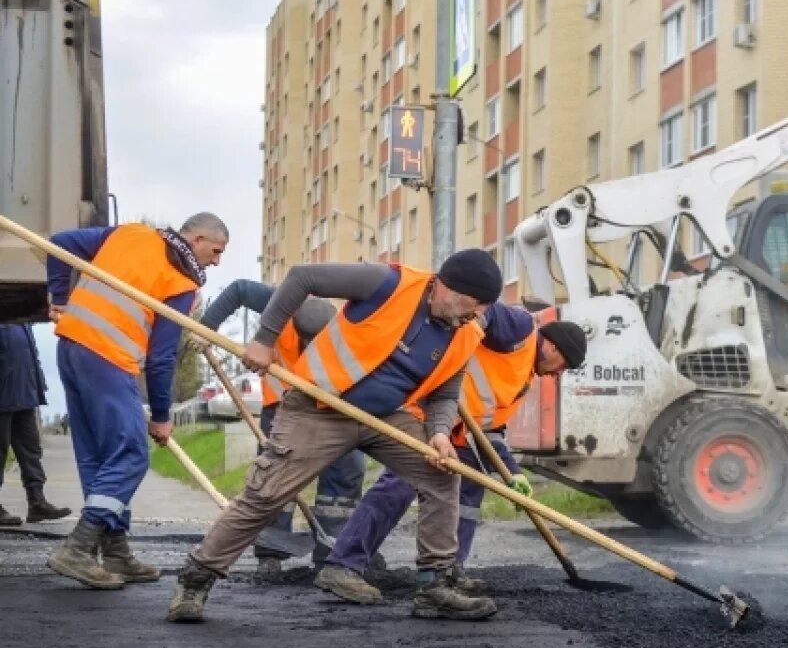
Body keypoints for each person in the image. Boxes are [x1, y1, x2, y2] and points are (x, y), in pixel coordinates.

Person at [168, 249, 504, 623]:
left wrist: (440, 434)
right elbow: (302, 276)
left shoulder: (467, 333)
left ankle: (434, 586)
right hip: (319, 407)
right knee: (265, 495)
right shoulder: (389, 283)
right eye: (474, 306)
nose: (475, 317)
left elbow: (444, 394)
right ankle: (196, 579)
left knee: (442, 474)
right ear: (449, 287)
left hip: (387, 418)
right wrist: (264, 339)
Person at [315, 305, 587, 604]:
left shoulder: (522, 381)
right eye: (564, 363)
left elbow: (491, 431)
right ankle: (342, 565)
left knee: (470, 487)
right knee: (399, 486)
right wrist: (455, 342)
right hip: (426, 414)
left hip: (458, 433)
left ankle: (449, 567)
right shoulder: (522, 330)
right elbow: (486, 311)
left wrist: (514, 473)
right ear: (551, 345)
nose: (559, 373)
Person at [45, 213, 227, 589]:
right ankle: (78, 548)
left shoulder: (131, 234)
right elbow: (161, 358)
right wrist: (161, 416)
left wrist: (60, 299)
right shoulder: (181, 280)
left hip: (72, 347)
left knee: (100, 454)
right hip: (107, 358)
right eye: (216, 250)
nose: (217, 261)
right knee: (130, 454)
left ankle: (115, 551)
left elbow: (60, 242)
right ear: (197, 238)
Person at [194, 280, 368, 576]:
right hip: (283, 405)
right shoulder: (281, 301)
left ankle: (335, 550)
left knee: (346, 473)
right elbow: (237, 290)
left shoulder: (351, 328)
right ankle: (271, 551)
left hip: (334, 406)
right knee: (274, 479)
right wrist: (205, 328)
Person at [0, 324, 72, 526]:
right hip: (3, 393)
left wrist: (38, 382)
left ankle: (37, 502)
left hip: (24, 393)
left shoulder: (21, 318)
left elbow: (31, 352)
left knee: (31, 450)